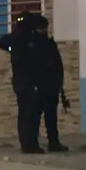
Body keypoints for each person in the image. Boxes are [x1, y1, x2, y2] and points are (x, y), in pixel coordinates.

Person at [0, 11, 45, 154]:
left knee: (25, 114)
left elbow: (1, 42)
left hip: (20, 81)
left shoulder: (16, 39)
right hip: (29, 82)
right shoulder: (29, 39)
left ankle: (27, 143)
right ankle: (30, 144)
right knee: (31, 114)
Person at [31, 16, 70, 152]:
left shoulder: (48, 44)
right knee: (37, 117)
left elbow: (57, 67)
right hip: (41, 86)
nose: (44, 30)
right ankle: (34, 143)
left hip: (50, 86)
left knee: (50, 117)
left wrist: (60, 89)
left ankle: (53, 142)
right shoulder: (34, 45)